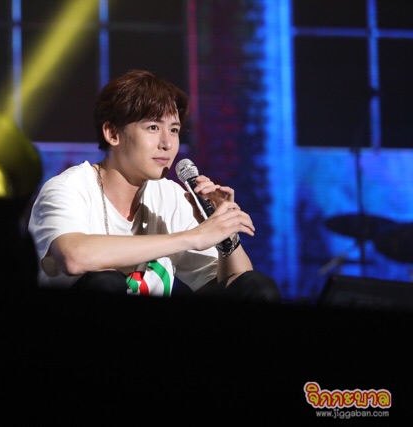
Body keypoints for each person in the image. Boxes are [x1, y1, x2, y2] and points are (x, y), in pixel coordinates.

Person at [28, 69, 280, 302]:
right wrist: (193, 237)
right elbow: (74, 257)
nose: (167, 143)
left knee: (257, 287)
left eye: (174, 130)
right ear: (112, 133)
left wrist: (225, 233)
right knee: (105, 283)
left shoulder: (172, 196)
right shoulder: (68, 188)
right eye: (152, 127)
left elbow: (234, 285)